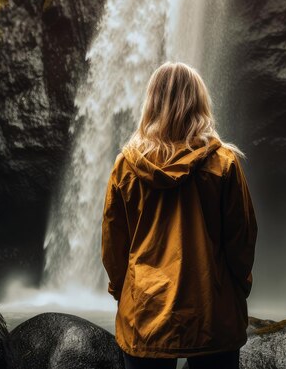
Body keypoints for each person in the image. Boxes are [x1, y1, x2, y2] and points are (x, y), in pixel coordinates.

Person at [101, 61, 258, 369]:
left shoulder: (126, 166)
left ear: (151, 103)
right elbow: (242, 240)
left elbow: (112, 244)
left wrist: (124, 292)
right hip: (212, 309)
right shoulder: (224, 164)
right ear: (199, 103)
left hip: (146, 309)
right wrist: (239, 287)